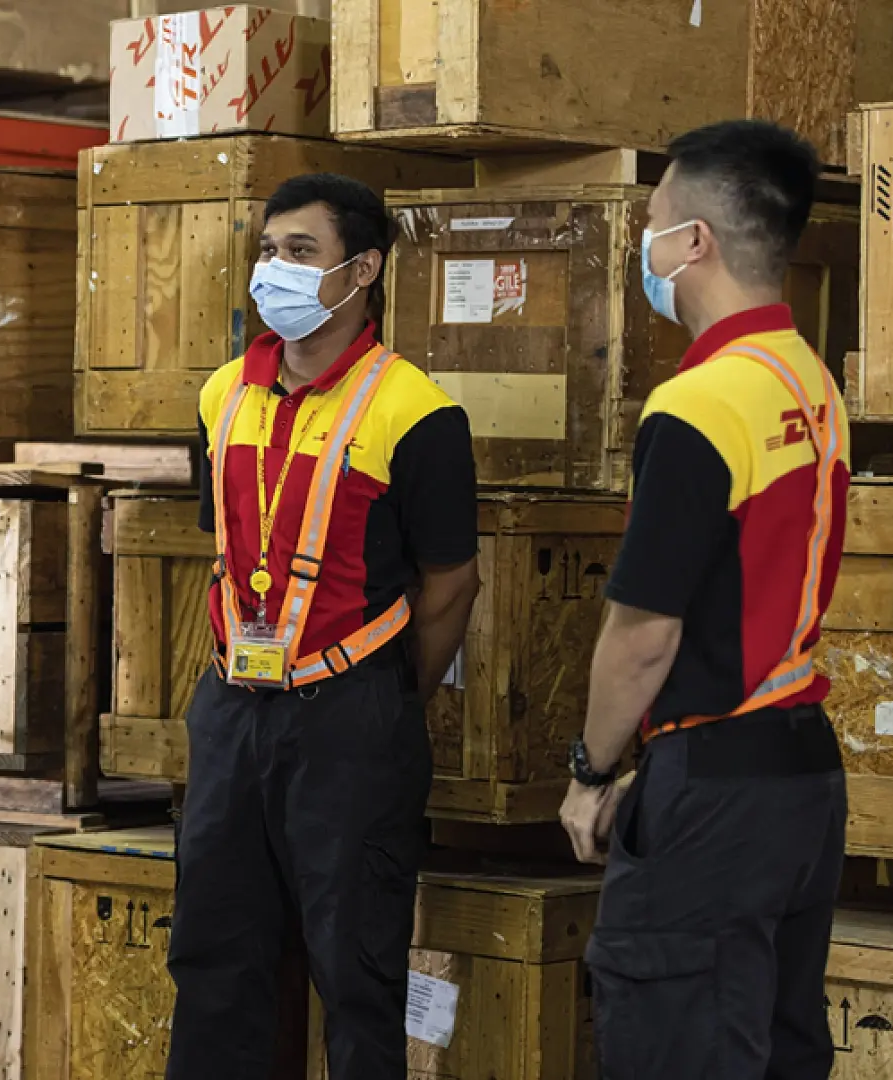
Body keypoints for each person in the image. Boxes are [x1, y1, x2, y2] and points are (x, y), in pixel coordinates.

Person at [166, 173, 481, 1080]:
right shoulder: (222, 395)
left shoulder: (415, 410)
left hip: (351, 717)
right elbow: (223, 548)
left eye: (301, 253)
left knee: (357, 971)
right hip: (232, 709)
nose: (276, 271)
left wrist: (383, 697)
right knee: (213, 961)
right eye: (268, 252)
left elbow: (452, 582)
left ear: (363, 269)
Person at [557, 120, 848, 1080]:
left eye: (652, 224)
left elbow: (643, 632)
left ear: (696, 243)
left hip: (715, 786)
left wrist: (592, 771)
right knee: (776, 1049)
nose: (647, 244)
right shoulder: (809, 381)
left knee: (673, 1046)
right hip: (800, 774)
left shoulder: (700, 404)